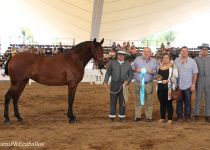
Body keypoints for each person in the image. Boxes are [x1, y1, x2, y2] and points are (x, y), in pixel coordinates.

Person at [104, 50, 133, 122]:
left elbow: (131, 74)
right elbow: (108, 73)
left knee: (122, 101)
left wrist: (128, 81)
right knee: (113, 100)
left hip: (124, 84)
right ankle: (112, 116)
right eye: (119, 54)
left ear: (124, 56)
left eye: (122, 55)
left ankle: (122, 116)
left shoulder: (128, 64)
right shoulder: (112, 63)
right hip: (114, 84)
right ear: (117, 55)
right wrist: (105, 82)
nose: (120, 56)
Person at [132, 47, 157, 122]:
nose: (146, 53)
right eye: (145, 51)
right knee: (137, 100)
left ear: (150, 53)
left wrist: (152, 72)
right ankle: (137, 116)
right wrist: (137, 69)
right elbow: (132, 67)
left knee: (149, 100)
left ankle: (149, 116)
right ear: (142, 52)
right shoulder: (137, 59)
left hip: (148, 83)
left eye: (148, 52)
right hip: (138, 83)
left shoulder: (154, 61)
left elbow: (155, 72)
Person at [174, 46, 198, 121]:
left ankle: (187, 116)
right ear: (180, 52)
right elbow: (173, 73)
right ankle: (179, 116)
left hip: (188, 85)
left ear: (187, 52)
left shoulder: (192, 61)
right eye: (182, 51)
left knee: (188, 102)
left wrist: (193, 84)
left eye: (185, 51)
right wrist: (174, 84)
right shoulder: (176, 61)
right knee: (179, 102)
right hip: (179, 85)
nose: (184, 52)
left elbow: (195, 74)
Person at [156, 54, 178, 124]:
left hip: (168, 88)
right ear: (162, 59)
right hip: (160, 87)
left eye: (167, 58)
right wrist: (159, 80)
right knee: (162, 103)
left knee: (169, 103)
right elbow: (157, 77)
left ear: (169, 59)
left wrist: (168, 81)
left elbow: (175, 77)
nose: (165, 59)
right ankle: (162, 118)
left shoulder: (173, 67)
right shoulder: (159, 67)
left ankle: (170, 119)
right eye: (164, 58)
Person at [194, 43, 210, 122]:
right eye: (203, 49)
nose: (205, 51)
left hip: (208, 79)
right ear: (201, 50)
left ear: (208, 50)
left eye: (206, 49)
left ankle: (207, 115)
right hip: (199, 79)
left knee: (208, 98)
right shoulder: (196, 59)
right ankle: (196, 114)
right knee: (198, 97)